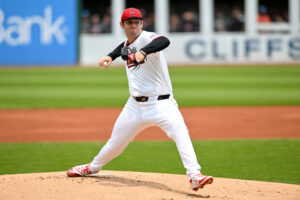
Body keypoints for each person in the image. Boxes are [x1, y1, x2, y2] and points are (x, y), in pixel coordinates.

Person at [66, 7, 213, 191]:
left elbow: (164, 40)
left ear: (142, 23)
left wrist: (143, 53)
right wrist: (110, 56)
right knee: (115, 144)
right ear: (122, 25)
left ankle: (195, 176)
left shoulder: (148, 38)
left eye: (137, 22)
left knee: (181, 133)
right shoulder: (128, 44)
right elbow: (123, 48)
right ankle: (92, 168)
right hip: (134, 107)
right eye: (129, 22)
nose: (133, 25)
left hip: (162, 104)